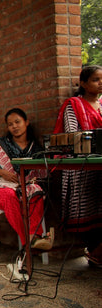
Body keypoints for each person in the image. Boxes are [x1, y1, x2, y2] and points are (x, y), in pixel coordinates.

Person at [0, 108, 49, 249]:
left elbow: (41, 175)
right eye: (10, 124)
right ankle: (28, 242)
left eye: (17, 122)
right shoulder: (0, 145)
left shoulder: (36, 149)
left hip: (22, 186)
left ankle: (35, 235)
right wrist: (2, 173)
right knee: (9, 195)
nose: (14, 126)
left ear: (26, 122)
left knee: (36, 191)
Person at [53, 65, 102, 265]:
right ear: (83, 83)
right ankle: (94, 252)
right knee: (89, 213)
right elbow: (73, 136)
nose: (100, 83)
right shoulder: (74, 105)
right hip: (83, 168)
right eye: (95, 79)